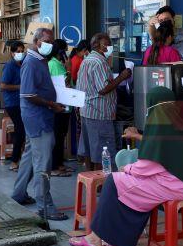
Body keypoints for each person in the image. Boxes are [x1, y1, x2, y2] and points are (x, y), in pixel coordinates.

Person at [69, 87, 183, 246]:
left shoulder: (161, 124)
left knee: (114, 181)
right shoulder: (176, 121)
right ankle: (118, 239)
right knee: (130, 187)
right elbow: (160, 151)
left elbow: (147, 166)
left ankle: (95, 238)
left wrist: (126, 168)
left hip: (177, 186)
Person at [11, 28, 68, 221]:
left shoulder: (40, 60)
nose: (51, 44)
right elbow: (28, 94)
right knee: (43, 163)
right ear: (37, 42)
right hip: (38, 119)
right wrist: (51, 104)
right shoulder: (31, 63)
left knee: (30, 156)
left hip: (39, 117)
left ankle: (18, 194)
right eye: (47, 41)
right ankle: (45, 206)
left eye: (52, 41)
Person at [76, 33, 132, 171]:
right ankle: (103, 180)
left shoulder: (87, 60)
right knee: (103, 151)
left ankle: (90, 177)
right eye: (107, 44)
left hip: (87, 111)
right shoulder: (100, 62)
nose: (109, 47)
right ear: (97, 45)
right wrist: (122, 77)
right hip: (99, 113)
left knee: (89, 150)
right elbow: (103, 89)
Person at [48, 38, 73, 177]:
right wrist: (69, 69)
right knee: (57, 137)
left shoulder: (58, 64)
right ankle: (54, 166)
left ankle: (59, 163)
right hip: (59, 106)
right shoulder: (54, 64)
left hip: (64, 106)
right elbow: (64, 84)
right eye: (65, 50)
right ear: (61, 51)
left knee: (61, 136)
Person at [1, 41, 26, 171]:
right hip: (13, 103)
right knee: (20, 128)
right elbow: (3, 85)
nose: (20, 53)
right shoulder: (10, 66)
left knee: (22, 129)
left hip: (22, 102)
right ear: (12, 53)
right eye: (18, 51)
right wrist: (19, 87)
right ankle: (14, 161)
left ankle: (21, 158)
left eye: (22, 51)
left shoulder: (23, 64)